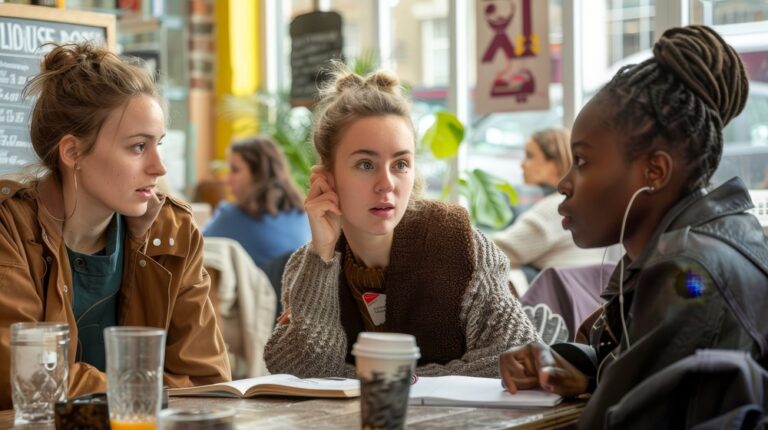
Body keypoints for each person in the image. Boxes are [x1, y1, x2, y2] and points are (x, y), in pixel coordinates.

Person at [499, 25, 768, 429]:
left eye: (584, 162)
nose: (564, 184)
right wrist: (575, 363)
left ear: (654, 171)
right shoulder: (691, 246)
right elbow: (660, 372)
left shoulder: (689, 272)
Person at [264, 64, 539, 378]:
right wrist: (323, 255)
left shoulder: (462, 244)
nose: (387, 183)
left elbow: (515, 356)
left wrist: (377, 380)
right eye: (365, 164)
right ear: (327, 178)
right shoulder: (308, 265)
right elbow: (306, 370)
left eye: (401, 164)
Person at [0, 42, 231, 409]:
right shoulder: (8, 229)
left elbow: (206, 383)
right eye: (139, 147)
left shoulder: (172, 230)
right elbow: (21, 377)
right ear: (73, 152)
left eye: (158, 144)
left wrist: (116, 392)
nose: (160, 167)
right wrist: (145, 390)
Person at [491, 128, 604, 281]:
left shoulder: (559, 207)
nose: (522, 164)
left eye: (530, 156)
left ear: (556, 164)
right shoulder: (586, 204)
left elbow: (497, 252)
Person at [203, 135, 311, 268]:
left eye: (235, 170)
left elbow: (195, 251)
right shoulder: (304, 215)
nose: (227, 179)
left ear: (258, 174)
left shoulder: (232, 216)